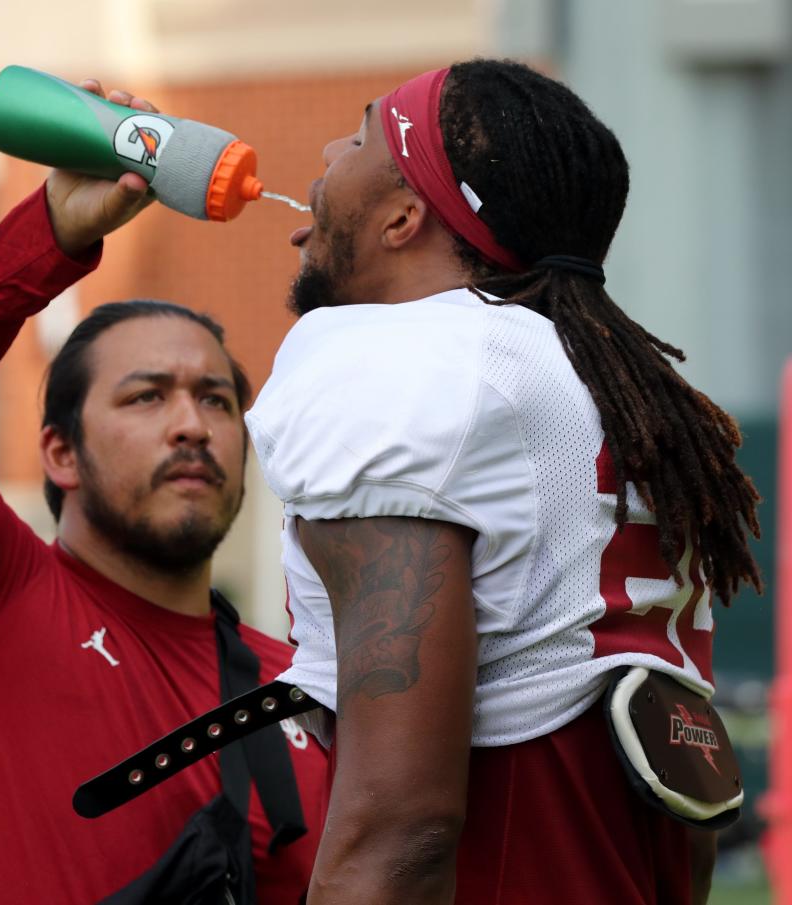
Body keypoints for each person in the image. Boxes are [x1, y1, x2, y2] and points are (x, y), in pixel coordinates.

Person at [244, 59, 763, 903]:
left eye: (365, 131)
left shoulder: (407, 362)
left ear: (405, 216)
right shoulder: (609, 393)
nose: (333, 150)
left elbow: (401, 823)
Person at [0, 82, 325, 904]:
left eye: (217, 399)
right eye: (147, 396)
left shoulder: (308, 691)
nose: (192, 425)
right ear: (58, 452)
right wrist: (51, 231)